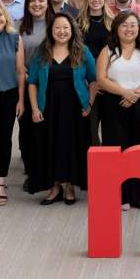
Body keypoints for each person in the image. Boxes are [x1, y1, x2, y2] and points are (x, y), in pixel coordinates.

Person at [28, 13, 96, 204]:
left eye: (65, 27)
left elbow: (94, 80)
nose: (62, 31)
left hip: (75, 108)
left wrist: (89, 103)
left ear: (72, 30)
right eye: (57, 27)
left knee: (71, 146)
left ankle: (69, 186)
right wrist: (34, 108)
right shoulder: (41, 52)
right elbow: (32, 82)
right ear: (51, 30)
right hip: (47, 107)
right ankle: (54, 186)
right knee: (50, 145)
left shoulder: (82, 51)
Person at [97, 11, 140, 210]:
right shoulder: (107, 51)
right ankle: (121, 195)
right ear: (116, 28)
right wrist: (124, 92)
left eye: (133, 24)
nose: (129, 29)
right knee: (118, 149)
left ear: (138, 28)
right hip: (114, 105)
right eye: (124, 25)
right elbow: (101, 79)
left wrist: (136, 94)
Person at [17, 0, 55, 191]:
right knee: (28, 132)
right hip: (26, 83)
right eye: (33, 1)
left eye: (41, 0)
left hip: (53, 85)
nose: (37, 4)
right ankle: (33, 173)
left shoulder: (57, 23)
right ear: (27, 4)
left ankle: (52, 174)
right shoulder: (18, 27)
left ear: (48, 2)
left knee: (49, 130)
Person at [0, 1, 25, 205]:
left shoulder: (14, 38)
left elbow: (21, 71)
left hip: (9, 95)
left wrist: (21, 99)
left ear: (6, 16)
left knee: (4, 139)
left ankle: (1, 183)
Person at [77, 0, 114, 144]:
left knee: (111, 129)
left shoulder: (114, 23)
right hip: (88, 82)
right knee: (90, 129)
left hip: (111, 82)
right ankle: (92, 165)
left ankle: (109, 165)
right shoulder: (77, 24)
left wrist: (106, 81)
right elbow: (75, 53)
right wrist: (89, 81)